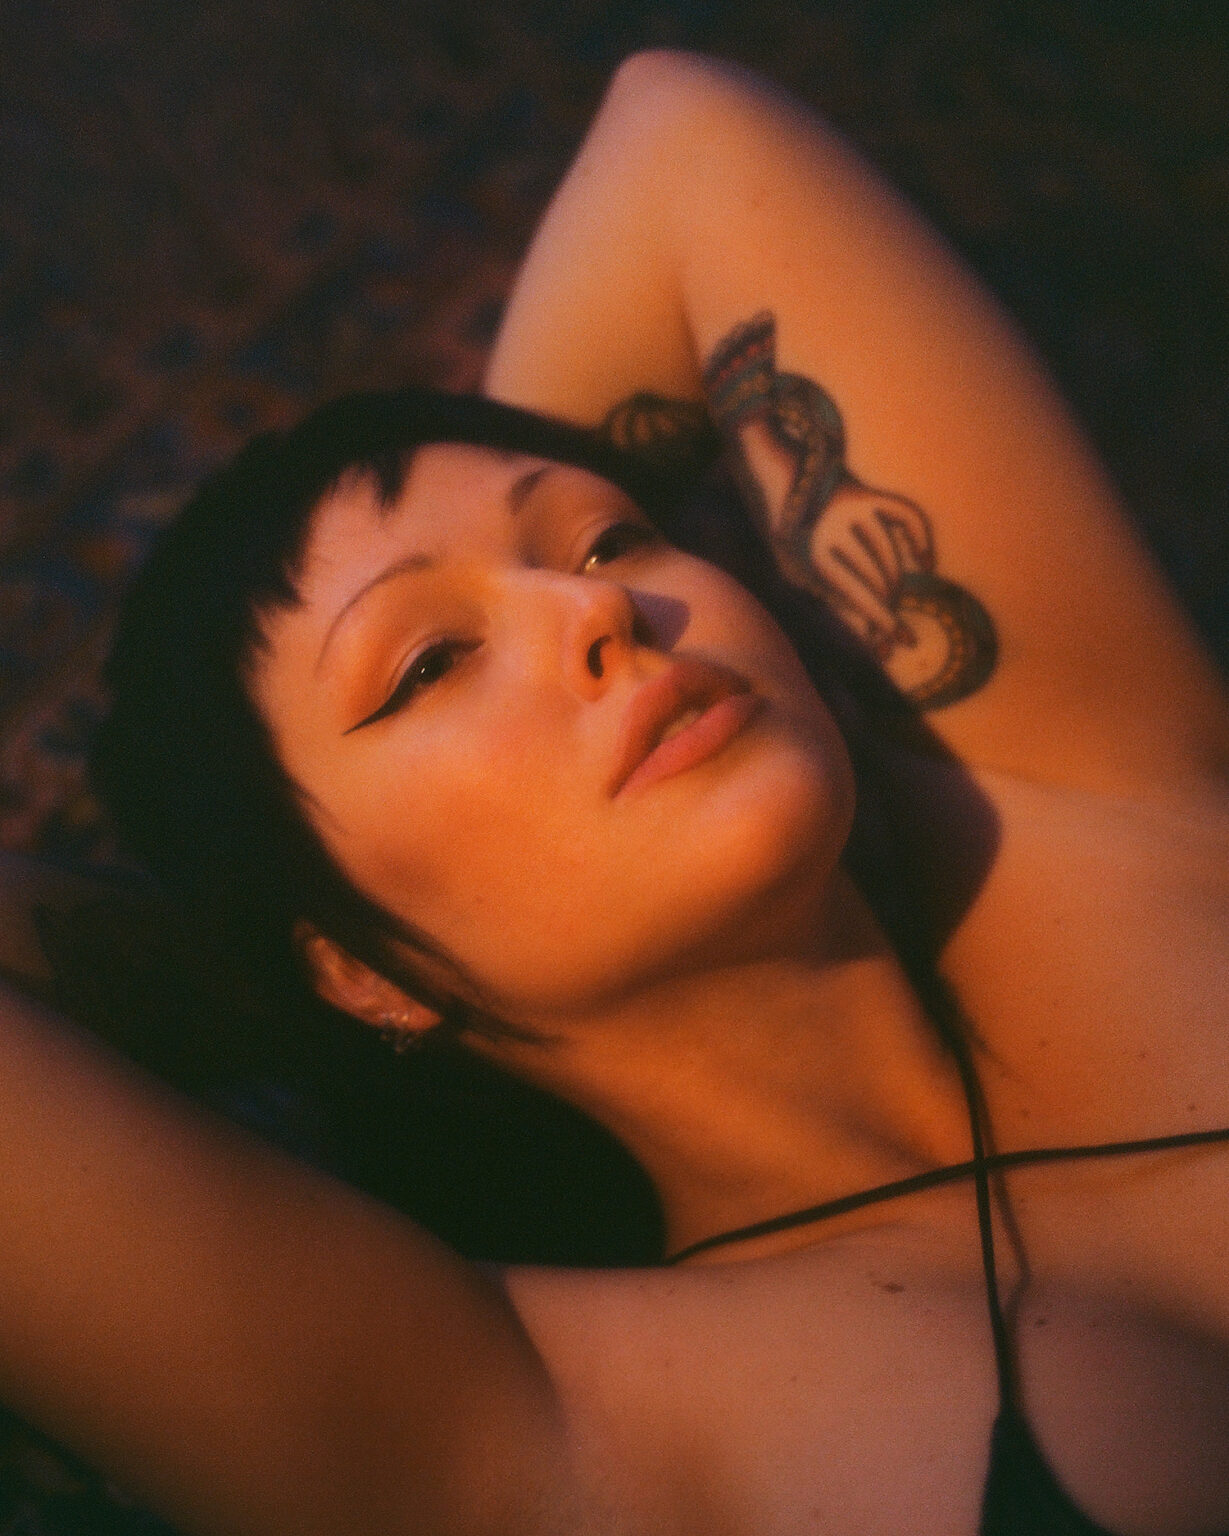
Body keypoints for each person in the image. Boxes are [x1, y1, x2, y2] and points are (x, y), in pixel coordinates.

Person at [0, 48, 1226, 1536]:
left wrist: (331, 903)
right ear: (352, 973)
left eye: (609, 539)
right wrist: (251, 946)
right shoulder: (523, 1428)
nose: (599, 612)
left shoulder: (1067, 806)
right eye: (429, 664)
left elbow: (679, 140)